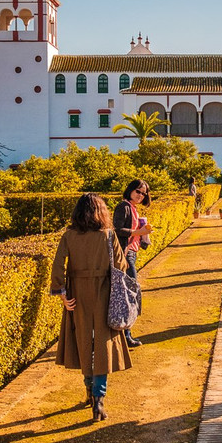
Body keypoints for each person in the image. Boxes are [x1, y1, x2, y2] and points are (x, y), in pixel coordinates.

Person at [50, 193, 131, 421]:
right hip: (104, 294)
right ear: (102, 212)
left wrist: (62, 294)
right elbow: (121, 265)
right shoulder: (107, 235)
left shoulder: (69, 236)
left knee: (84, 342)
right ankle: (99, 399)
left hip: (77, 294)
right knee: (103, 346)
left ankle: (88, 391)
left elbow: (58, 266)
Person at [113, 179, 153, 348]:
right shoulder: (123, 207)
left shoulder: (132, 208)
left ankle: (126, 334)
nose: (140, 195)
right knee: (129, 294)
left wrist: (143, 237)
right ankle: (126, 335)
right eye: (138, 191)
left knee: (129, 293)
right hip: (125, 254)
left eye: (143, 193)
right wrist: (139, 231)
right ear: (130, 190)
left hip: (131, 253)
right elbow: (117, 229)